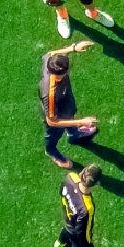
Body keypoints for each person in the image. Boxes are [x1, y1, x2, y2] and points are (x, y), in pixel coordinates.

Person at [39, 41, 99, 169]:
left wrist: (72, 48)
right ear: (62, 73)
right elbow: (52, 122)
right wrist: (81, 121)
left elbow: (50, 53)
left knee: (71, 115)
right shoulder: (50, 94)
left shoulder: (49, 62)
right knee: (52, 136)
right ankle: (51, 152)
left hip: (66, 104)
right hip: (56, 116)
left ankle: (74, 134)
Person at [55, 164, 102, 247]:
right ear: (96, 184)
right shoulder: (87, 207)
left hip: (67, 218)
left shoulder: (71, 177)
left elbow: (61, 190)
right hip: (76, 231)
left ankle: (58, 244)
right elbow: (84, 232)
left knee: (66, 231)